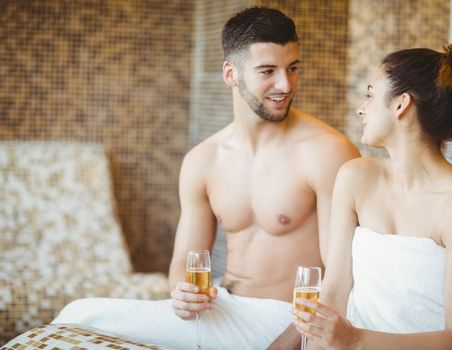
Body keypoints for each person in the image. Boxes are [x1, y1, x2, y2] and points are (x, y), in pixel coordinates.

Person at [52, 6, 359, 349]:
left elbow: (342, 275)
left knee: (80, 315)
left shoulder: (327, 152)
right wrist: (182, 295)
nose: (285, 84)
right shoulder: (203, 160)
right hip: (222, 310)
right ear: (231, 73)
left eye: (293, 68)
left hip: (285, 319)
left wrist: (291, 340)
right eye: (267, 71)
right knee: (76, 314)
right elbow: (184, 264)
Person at [275, 44, 452, 349]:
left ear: (401, 104)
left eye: (370, 94)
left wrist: (355, 339)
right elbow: (336, 288)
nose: (361, 108)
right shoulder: (355, 177)